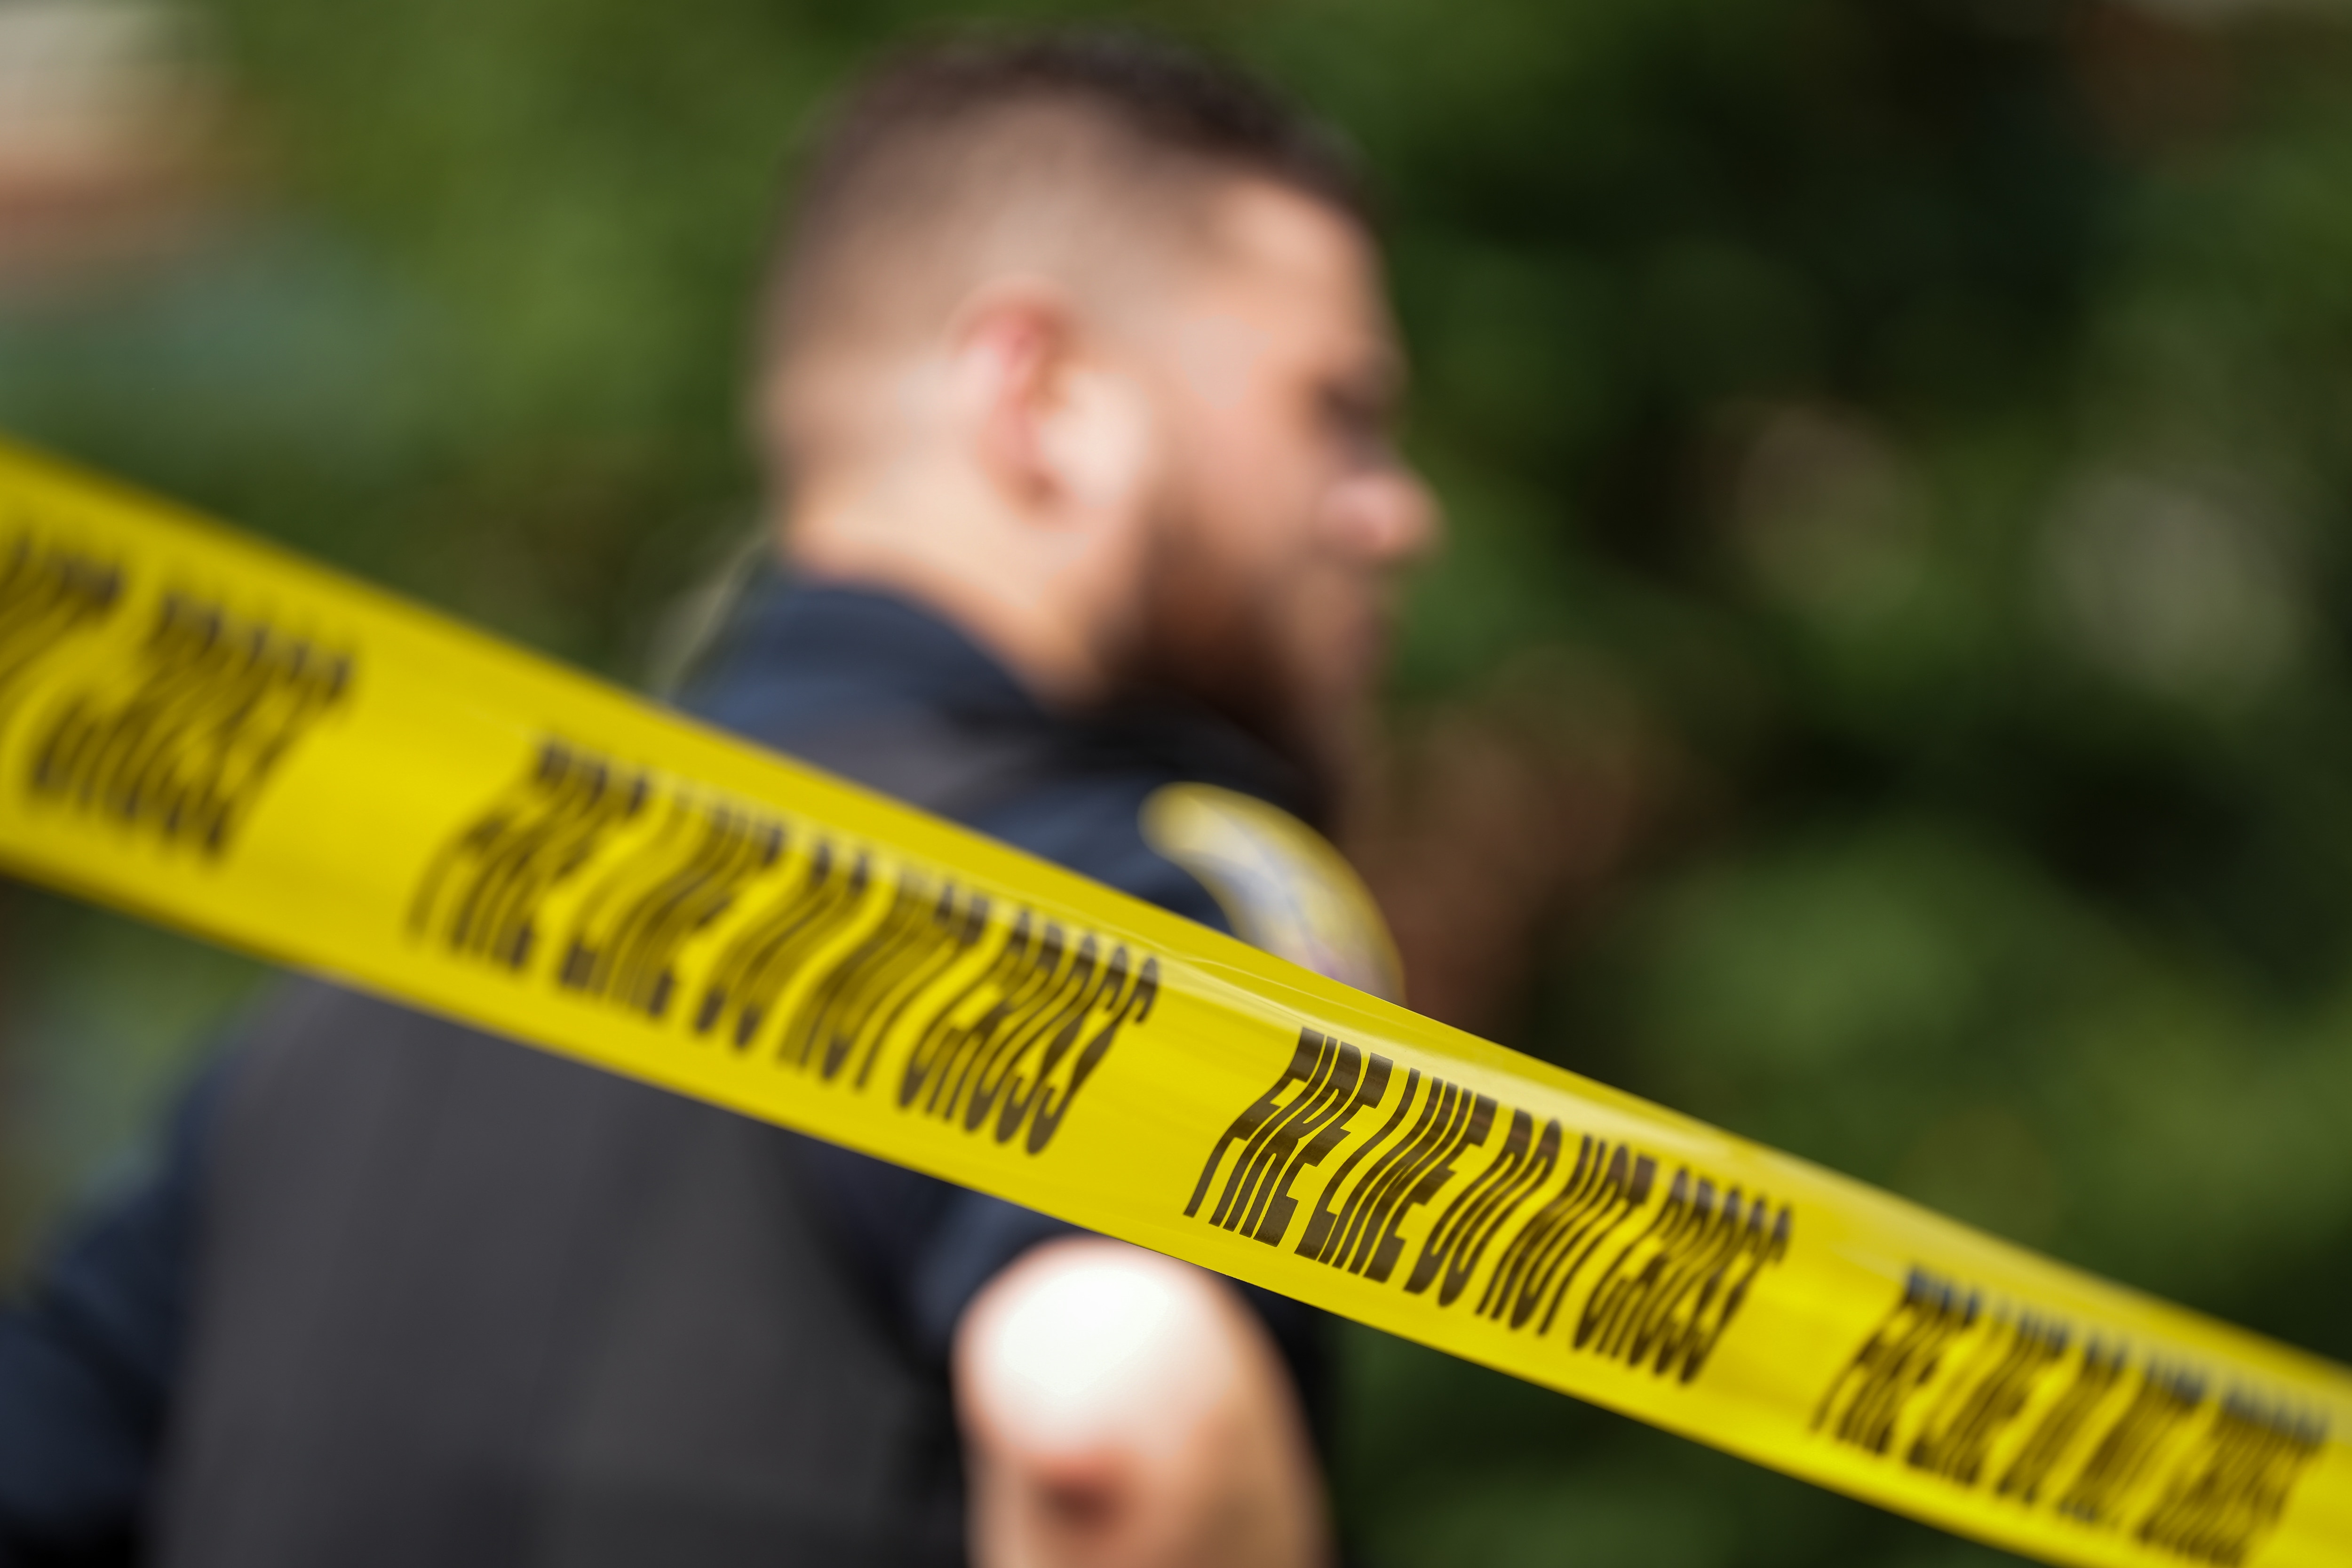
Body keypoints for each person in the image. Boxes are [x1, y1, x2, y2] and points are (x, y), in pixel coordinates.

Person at [0, 28, 1438, 1568]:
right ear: (1045, 398)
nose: (1394, 512)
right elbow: (1113, 1415)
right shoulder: (1133, 905)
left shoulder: (365, 976)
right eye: (1333, 414)